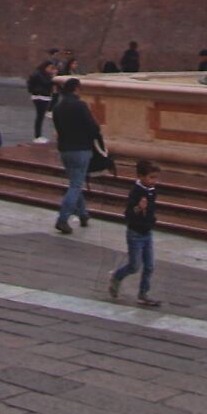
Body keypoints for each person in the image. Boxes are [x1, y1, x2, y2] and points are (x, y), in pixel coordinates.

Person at [105, 160, 162, 308]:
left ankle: (143, 294)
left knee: (149, 266)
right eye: (151, 177)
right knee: (134, 265)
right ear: (141, 176)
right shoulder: (136, 191)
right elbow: (128, 213)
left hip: (147, 232)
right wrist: (138, 208)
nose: (154, 181)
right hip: (135, 233)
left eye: (156, 178)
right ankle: (116, 276)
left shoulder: (151, 190)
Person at [51, 78, 101, 233]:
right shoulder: (80, 105)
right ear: (76, 89)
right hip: (81, 149)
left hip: (65, 150)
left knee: (75, 181)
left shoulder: (58, 107)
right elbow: (93, 127)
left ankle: (83, 214)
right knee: (75, 185)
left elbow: (58, 128)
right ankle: (63, 219)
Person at [27, 55, 58, 145]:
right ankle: (37, 136)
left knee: (40, 116)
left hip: (42, 96)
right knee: (39, 116)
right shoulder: (39, 74)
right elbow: (47, 83)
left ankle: (38, 135)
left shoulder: (41, 74)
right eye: (50, 68)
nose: (51, 70)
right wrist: (53, 76)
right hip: (40, 97)